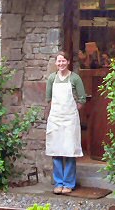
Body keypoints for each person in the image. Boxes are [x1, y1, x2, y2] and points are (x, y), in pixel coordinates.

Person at [45, 51, 86, 194]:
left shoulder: (75, 79)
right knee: (56, 151)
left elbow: (82, 99)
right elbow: (49, 99)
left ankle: (68, 183)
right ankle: (58, 182)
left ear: (68, 62)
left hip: (70, 120)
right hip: (55, 118)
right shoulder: (51, 79)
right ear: (55, 63)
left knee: (69, 151)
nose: (61, 64)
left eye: (63, 61)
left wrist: (74, 110)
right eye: (58, 61)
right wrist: (50, 116)